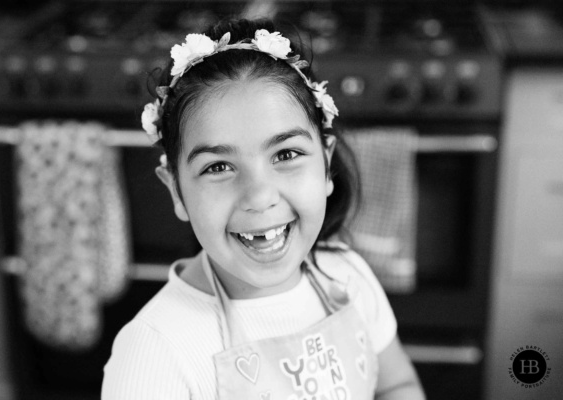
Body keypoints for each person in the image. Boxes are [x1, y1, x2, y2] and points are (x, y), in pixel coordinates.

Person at [102, 18, 425, 400]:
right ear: (175, 189)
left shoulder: (348, 276)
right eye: (218, 167)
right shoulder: (154, 350)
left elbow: (398, 385)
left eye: (286, 154)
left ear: (326, 165)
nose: (259, 196)